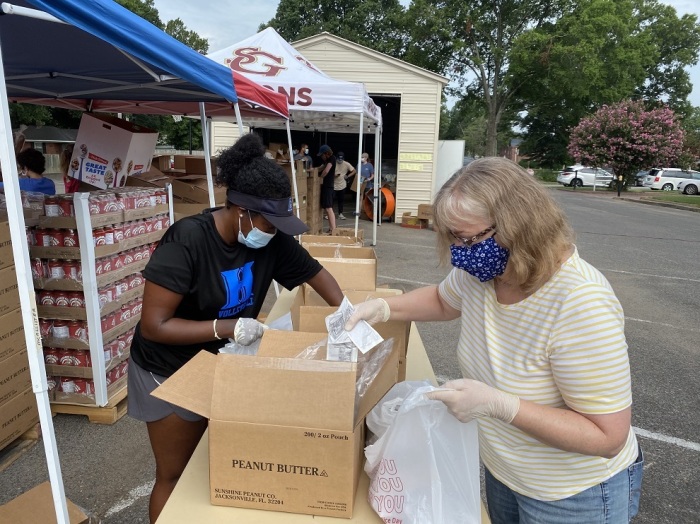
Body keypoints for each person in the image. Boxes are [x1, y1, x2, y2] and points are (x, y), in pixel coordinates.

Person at [346, 157, 643, 523]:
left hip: (571, 495)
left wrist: (502, 406)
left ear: (520, 226)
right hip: (505, 474)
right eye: (452, 237)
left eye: (469, 238)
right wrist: (383, 308)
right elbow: (443, 299)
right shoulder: (487, 271)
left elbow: (606, 435)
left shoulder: (580, 303)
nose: (460, 251)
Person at [128, 132, 344, 523]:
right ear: (241, 210)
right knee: (176, 473)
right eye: (269, 221)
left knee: (218, 462)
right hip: (168, 368)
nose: (275, 230)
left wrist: (349, 317)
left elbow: (318, 276)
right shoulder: (188, 240)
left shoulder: (271, 241)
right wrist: (226, 328)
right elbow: (155, 325)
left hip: (220, 363)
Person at [317, 144, 337, 233]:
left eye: (322, 155)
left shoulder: (332, 158)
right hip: (326, 186)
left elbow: (326, 170)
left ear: (326, 153)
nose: (322, 157)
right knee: (327, 208)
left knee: (329, 208)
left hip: (328, 186)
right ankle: (331, 228)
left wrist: (319, 178)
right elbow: (321, 167)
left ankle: (333, 229)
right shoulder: (328, 160)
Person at [334, 151, 356, 220]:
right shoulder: (333, 163)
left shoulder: (346, 164)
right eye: (339, 159)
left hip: (342, 185)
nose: (340, 160)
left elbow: (354, 170)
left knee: (341, 201)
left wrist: (348, 176)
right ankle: (329, 214)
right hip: (333, 185)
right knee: (330, 201)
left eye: (341, 159)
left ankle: (340, 213)